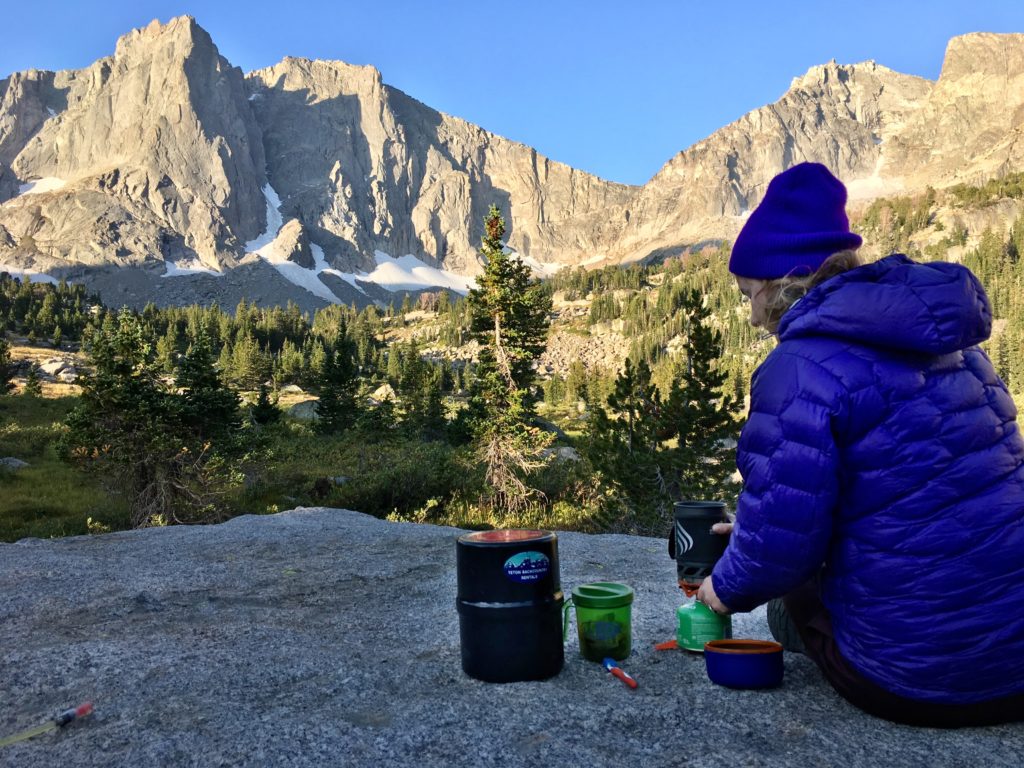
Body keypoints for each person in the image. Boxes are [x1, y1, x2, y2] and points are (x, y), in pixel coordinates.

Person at [695, 162, 1024, 727]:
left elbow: (781, 550)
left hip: (914, 681)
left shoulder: (798, 368)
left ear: (783, 284)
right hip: (1017, 666)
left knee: (785, 602)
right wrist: (757, 525)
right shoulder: (958, 347)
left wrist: (720, 590)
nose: (751, 316)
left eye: (750, 294)